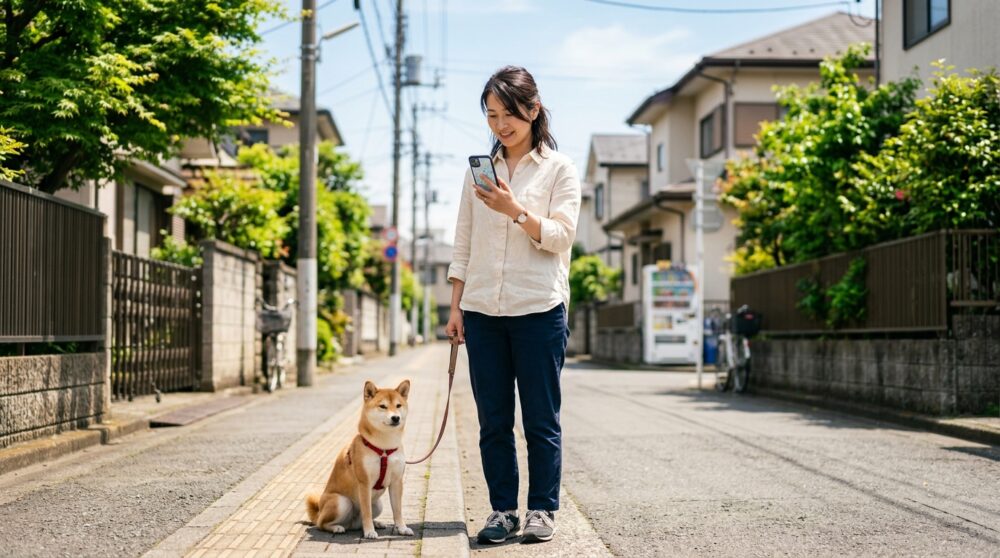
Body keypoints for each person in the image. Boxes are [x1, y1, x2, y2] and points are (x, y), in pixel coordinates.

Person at [445, 66, 581, 545]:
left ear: (533, 110)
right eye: (492, 114)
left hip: (539, 310)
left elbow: (563, 235)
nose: (501, 125)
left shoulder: (559, 169)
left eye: (510, 114)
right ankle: (503, 510)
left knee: (541, 420)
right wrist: (456, 306)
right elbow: (462, 242)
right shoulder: (479, 171)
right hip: (482, 310)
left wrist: (515, 211)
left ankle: (541, 510)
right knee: (493, 421)